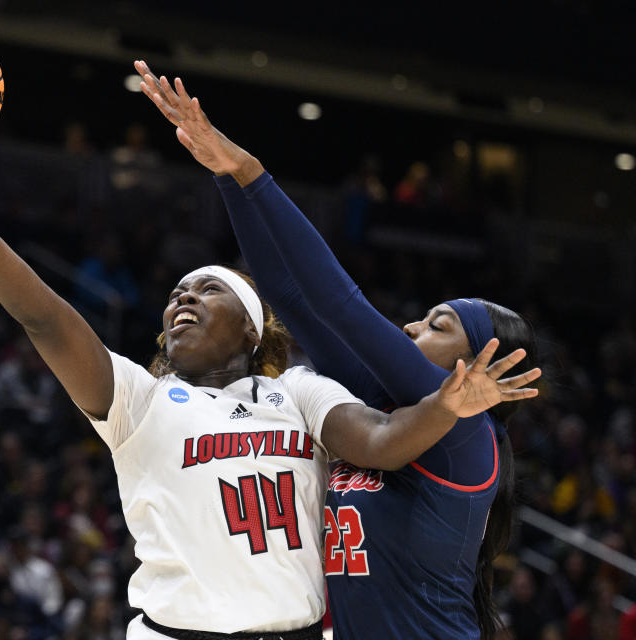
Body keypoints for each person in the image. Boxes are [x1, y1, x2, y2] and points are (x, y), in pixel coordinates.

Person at [0, 110, 539, 639]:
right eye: (175, 293)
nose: (182, 297)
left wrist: (246, 172)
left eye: (207, 288)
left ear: (252, 329)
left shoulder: (309, 393)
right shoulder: (142, 398)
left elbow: (341, 332)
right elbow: (45, 318)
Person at [133, 60, 543, 640]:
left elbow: (340, 301)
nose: (409, 327)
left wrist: (250, 171)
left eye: (437, 325)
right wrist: (224, 175)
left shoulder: (463, 433)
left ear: (472, 364)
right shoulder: (377, 401)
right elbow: (290, 296)